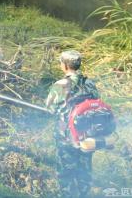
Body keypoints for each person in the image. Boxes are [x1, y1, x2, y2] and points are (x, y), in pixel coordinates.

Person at [46, 50, 99, 198]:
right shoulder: (90, 83)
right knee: (85, 170)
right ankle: (84, 194)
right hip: (87, 134)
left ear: (65, 65)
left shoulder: (60, 84)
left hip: (66, 136)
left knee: (66, 173)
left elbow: (49, 108)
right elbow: (96, 103)